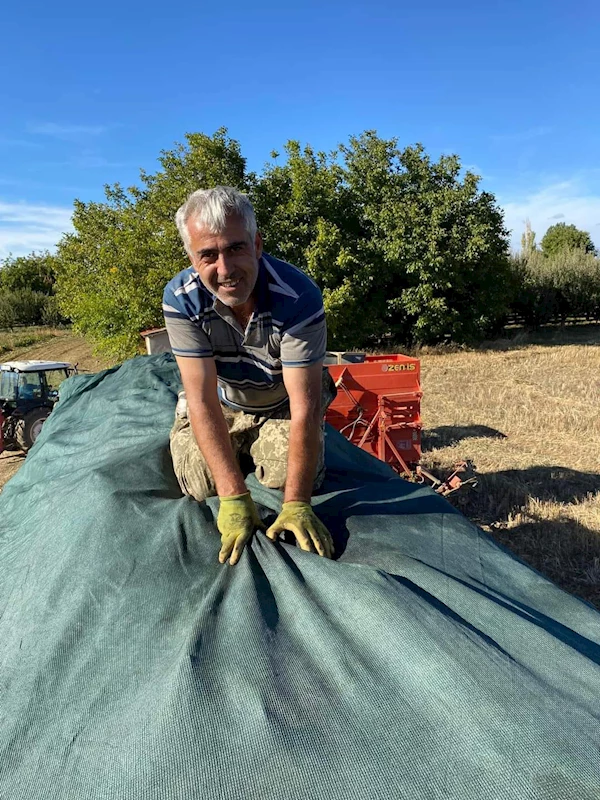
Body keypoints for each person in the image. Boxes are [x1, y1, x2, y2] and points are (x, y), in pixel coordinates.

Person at [163, 186, 335, 566]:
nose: (225, 270)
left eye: (235, 248)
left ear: (257, 245)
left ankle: (255, 452)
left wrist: (296, 504)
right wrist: (234, 499)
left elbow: (305, 407)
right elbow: (203, 398)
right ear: (192, 258)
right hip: (224, 400)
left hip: (281, 402)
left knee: (284, 476)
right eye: (208, 255)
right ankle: (199, 438)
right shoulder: (181, 299)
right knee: (202, 484)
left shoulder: (298, 296)